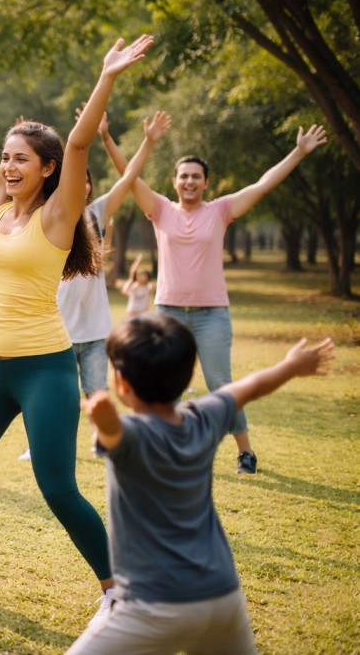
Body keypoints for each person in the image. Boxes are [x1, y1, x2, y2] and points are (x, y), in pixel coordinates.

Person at [0, 23, 153, 612]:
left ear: (47, 168)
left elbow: (82, 142)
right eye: (7, 158)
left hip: (44, 369)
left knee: (58, 487)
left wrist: (106, 79)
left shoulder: (59, 216)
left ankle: (118, 589)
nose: (8, 166)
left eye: (21, 160)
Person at [68, 315, 334, 654]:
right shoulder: (205, 416)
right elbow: (250, 386)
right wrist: (291, 366)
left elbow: (113, 434)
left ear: (122, 384)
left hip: (154, 606)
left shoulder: (133, 435)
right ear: (190, 373)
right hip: (222, 597)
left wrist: (104, 417)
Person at [105, 121, 327, 474]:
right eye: (184, 176)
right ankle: (158, 449)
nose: (190, 182)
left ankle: (246, 453)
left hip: (212, 314)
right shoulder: (160, 210)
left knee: (221, 384)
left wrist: (298, 152)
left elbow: (263, 185)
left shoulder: (220, 210)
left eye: (196, 176)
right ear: (175, 182)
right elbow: (128, 176)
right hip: (169, 313)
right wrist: (105, 137)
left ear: (205, 183)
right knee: (164, 383)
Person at [52, 111, 172, 460]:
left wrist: (146, 142)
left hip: (94, 328)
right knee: (55, 396)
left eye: (87, 181)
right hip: (56, 328)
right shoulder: (49, 216)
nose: (84, 185)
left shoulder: (97, 213)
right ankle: (43, 445)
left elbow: (129, 178)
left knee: (97, 391)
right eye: (78, 180)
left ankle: (102, 441)